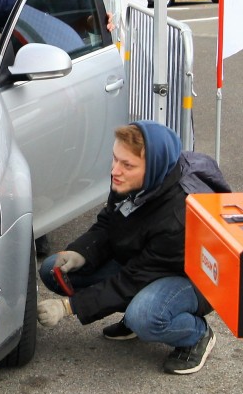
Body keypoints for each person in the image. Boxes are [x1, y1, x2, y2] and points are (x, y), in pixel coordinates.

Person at [35, 121, 230, 375]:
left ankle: (196, 335)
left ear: (153, 169)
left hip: (192, 279)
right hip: (148, 262)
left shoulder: (178, 216)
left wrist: (68, 307)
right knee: (55, 269)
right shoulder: (130, 179)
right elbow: (109, 222)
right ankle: (134, 316)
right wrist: (81, 252)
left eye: (127, 165)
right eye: (115, 159)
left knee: (146, 316)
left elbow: (133, 279)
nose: (115, 170)